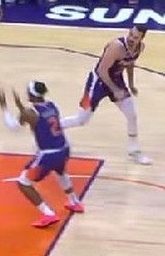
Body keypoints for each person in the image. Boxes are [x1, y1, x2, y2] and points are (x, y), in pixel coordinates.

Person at [0, 82, 85, 228]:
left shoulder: (30, 113)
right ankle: (74, 201)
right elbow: (38, 118)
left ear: (31, 95)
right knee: (61, 172)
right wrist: (20, 107)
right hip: (63, 148)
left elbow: (14, 126)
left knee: (23, 182)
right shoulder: (52, 105)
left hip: (48, 155)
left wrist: (4, 105)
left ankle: (48, 214)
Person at [60, 26, 151, 165]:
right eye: (131, 34)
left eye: (136, 37)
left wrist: (131, 84)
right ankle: (52, 128)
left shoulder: (140, 48)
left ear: (141, 38)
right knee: (81, 119)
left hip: (115, 79)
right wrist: (115, 90)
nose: (132, 38)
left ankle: (134, 150)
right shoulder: (117, 46)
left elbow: (130, 64)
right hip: (97, 82)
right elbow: (101, 70)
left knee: (131, 114)